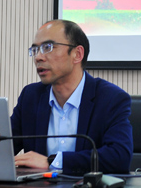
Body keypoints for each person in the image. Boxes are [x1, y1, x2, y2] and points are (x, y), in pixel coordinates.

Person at [10, 19, 133, 175]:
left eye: (48, 47)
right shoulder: (31, 96)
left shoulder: (110, 98)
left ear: (77, 54)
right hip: (39, 186)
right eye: (35, 50)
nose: (38, 57)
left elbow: (119, 157)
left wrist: (53, 162)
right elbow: (2, 146)